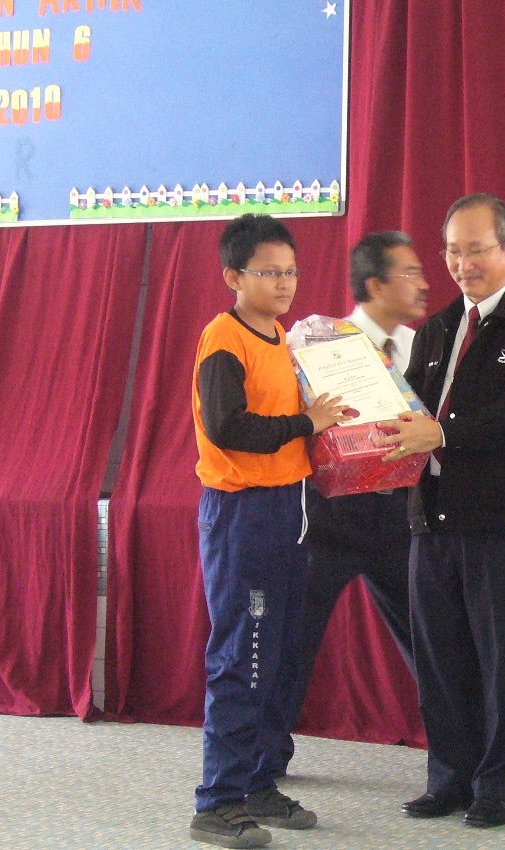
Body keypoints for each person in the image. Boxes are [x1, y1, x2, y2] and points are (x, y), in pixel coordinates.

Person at [374, 193, 505, 828]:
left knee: (502, 663)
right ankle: (449, 779)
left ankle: (497, 787)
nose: (463, 264)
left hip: (503, 522)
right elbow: (412, 411)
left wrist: (441, 433)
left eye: (477, 249)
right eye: (452, 252)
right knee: (440, 660)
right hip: (431, 519)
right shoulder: (435, 330)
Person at [188, 214, 350, 849]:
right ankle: (217, 801)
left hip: (289, 504)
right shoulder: (223, 339)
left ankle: (256, 783)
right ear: (234, 277)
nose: (284, 283)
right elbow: (229, 428)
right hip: (242, 513)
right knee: (243, 655)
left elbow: (289, 416)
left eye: (291, 271)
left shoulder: (282, 336)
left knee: (277, 651)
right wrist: (306, 424)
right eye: (269, 272)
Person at [277, 230, 429, 772]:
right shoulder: (319, 345)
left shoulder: (422, 346)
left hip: (397, 511)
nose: (423, 284)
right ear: (375, 285)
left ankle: (471, 740)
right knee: (295, 636)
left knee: (427, 631)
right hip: (330, 512)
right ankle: (266, 757)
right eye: (409, 273)